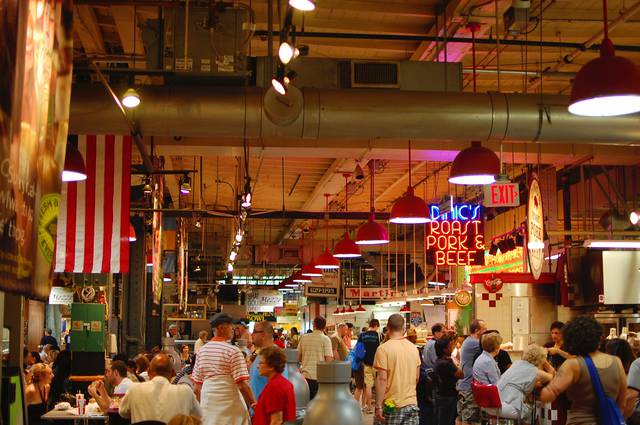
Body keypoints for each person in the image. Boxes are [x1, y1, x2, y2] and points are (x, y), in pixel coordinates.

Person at [541, 315, 627, 424]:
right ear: (598, 337)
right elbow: (623, 403)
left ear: (571, 339)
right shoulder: (616, 362)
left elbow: (548, 394)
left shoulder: (573, 364)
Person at [90, 354, 201, 422]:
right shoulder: (185, 392)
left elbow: (123, 412)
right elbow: (200, 417)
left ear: (148, 372)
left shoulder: (135, 390)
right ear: (172, 373)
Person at [192, 313, 255, 425]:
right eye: (231, 326)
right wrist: (254, 403)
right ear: (221, 328)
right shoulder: (233, 351)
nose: (233, 329)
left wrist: (199, 411)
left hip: (208, 407)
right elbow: (242, 385)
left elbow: (197, 388)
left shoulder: (202, 351)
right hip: (231, 408)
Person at [374, 314, 421, 425]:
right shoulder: (413, 348)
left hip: (391, 405)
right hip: (412, 404)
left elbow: (382, 379)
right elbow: (416, 377)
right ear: (404, 328)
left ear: (388, 328)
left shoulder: (383, 349)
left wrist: (378, 406)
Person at [497, 344, 554, 421]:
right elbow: (553, 377)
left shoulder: (516, 364)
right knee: (532, 413)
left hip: (496, 402)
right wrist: (545, 362)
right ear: (540, 360)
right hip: (508, 407)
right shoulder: (534, 371)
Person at [252, 347, 296, 425]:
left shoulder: (274, 387)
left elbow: (276, 421)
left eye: (261, 363)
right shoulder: (283, 383)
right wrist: (261, 407)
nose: (258, 366)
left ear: (271, 366)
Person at [456, 319, 486, 425]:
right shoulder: (474, 342)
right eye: (484, 329)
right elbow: (491, 347)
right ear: (477, 330)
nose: (485, 332)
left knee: (461, 418)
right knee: (471, 420)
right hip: (468, 388)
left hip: (463, 386)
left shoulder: (468, 341)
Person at [250, 320, 289, 400]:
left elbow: (280, 389)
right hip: (258, 410)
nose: (251, 334)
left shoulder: (274, 355)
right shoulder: (261, 353)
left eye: (254, 331)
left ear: (263, 335)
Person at [298, 316, 333, 400]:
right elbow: (328, 360)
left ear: (314, 325)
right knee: (318, 406)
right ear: (324, 327)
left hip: (305, 377)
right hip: (320, 378)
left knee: (306, 404)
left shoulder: (304, 338)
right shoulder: (326, 339)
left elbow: (298, 357)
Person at [433, 335, 463, 425]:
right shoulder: (446, 363)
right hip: (448, 396)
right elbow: (461, 374)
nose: (452, 348)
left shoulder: (438, 361)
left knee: (443, 419)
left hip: (441, 394)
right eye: (450, 347)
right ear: (444, 350)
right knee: (448, 420)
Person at [359, 318, 381, 413]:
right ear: (376, 325)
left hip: (366, 363)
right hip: (377, 364)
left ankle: (368, 407)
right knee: (379, 385)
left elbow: (359, 349)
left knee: (368, 386)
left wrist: (362, 361)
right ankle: (378, 406)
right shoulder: (378, 335)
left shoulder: (362, 335)